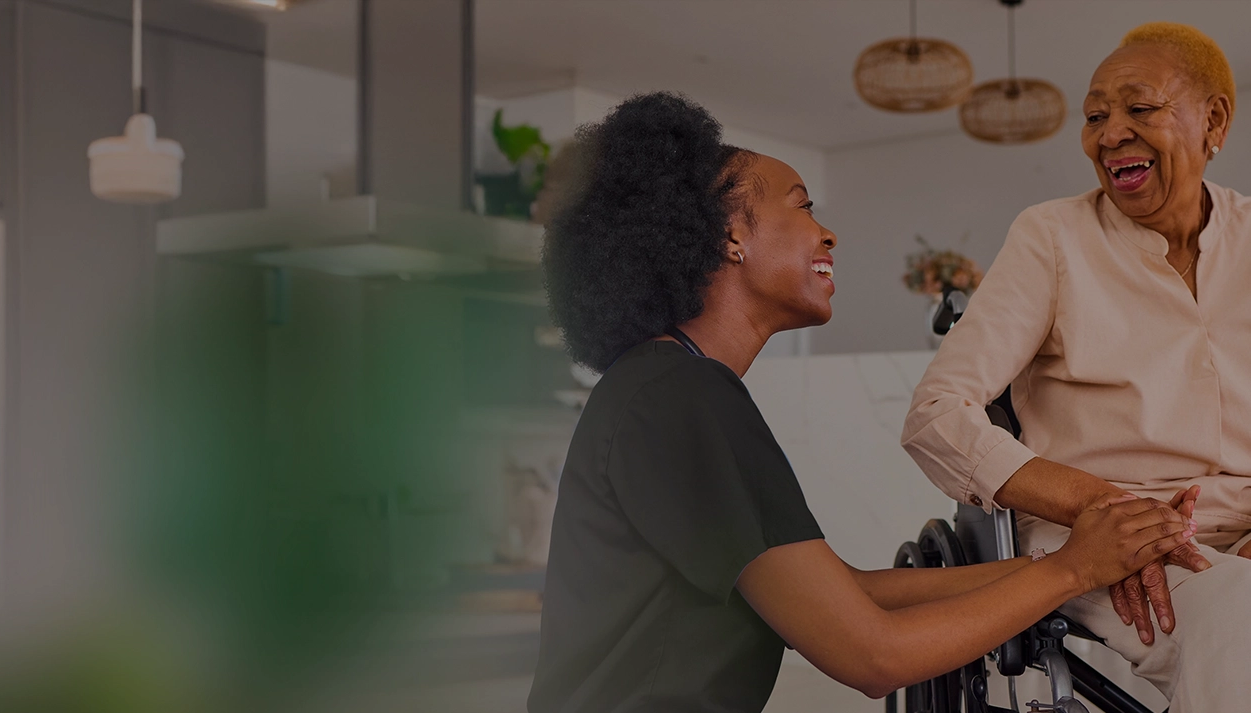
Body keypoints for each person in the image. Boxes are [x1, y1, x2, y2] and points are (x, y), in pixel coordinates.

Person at [528, 91, 1194, 713]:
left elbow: (846, 590)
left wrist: (1049, 568)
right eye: (803, 204)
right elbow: (871, 653)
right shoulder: (681, 395)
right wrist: (1076, 567)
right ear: (730, 231)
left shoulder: (665, 384)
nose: (828, 234)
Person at [903, 22, 1251, 711]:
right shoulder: (1052, 237)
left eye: (1139, 108)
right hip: (1102, 549)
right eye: (1095, 116)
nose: (1109, 133)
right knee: (1240, 614)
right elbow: (937, 414)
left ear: (1213, 120)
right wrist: (1104, 509)